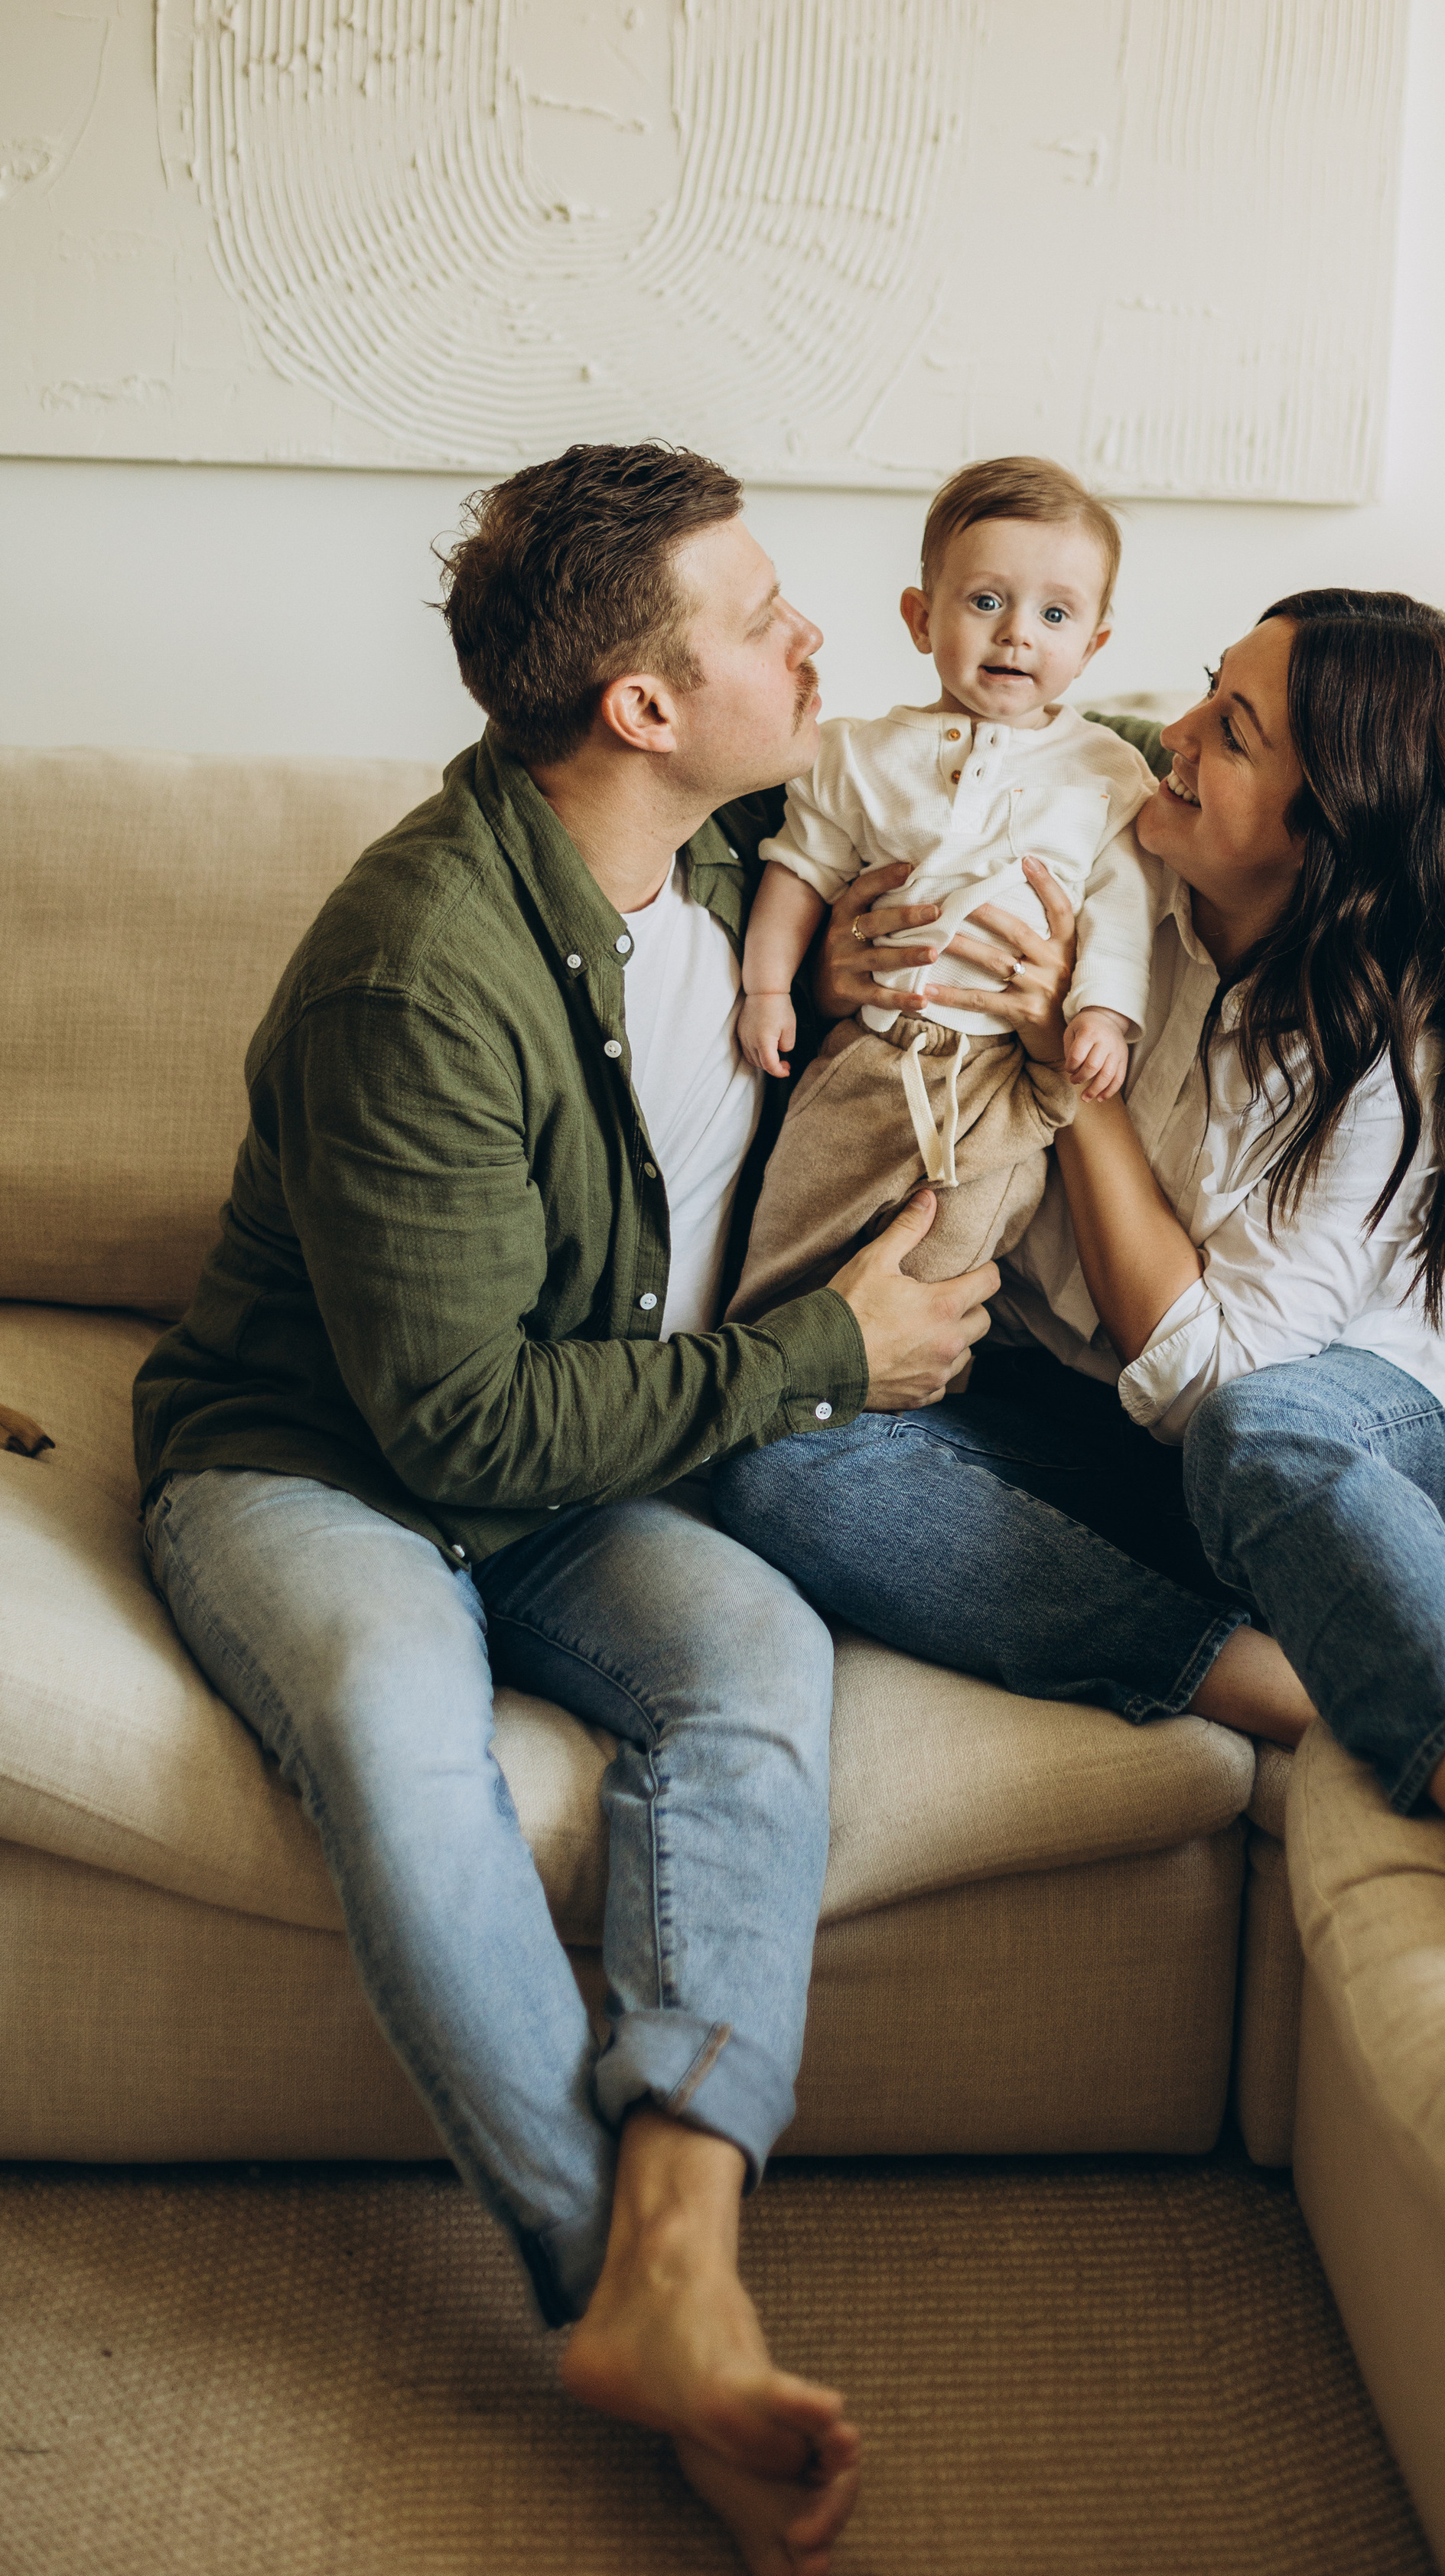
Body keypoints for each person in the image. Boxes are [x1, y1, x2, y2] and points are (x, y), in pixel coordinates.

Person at [131, 439, 1002, 2576]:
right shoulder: (413, 967)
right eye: (765, 613)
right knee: (395, 1725)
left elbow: (1067, 736)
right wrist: (823, 1361)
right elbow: (450, 1433)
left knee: (754, 1657)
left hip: (578, 1445)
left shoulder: (728, 859)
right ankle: (626, 2289)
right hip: (328, 1457)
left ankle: (686, 2224)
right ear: (640, 707)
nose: (820, 637)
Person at [714, 591, 1445, 1989]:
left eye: (1230, 732)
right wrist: (831, 969)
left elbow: (1219, 1383)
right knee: (777, 1459)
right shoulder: (1128, 858)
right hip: (1093, 1428)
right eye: (1202, 693)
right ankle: (1279, 1677)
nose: (1171, 737)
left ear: (1334, 831)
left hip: (1333, 1431)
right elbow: (922, 795)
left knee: (1265, 1436)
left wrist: (1075, 1071)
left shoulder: (1391, 1041)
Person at [727, 456, 1156, 1320]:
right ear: (922, 620)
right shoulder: (857, 753)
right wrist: (768, 986)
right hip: (864, 1055)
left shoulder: (1107, 770)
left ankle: (910, 1393)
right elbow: (799, 869)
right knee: (794, 1230)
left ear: (1092, 645)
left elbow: (1122, 909)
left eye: (1056, 613)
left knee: (948, 1253)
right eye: (986, 601)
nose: (1017, 635)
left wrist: (1104, 1015)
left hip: (999, 1075)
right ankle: (763, 1356)